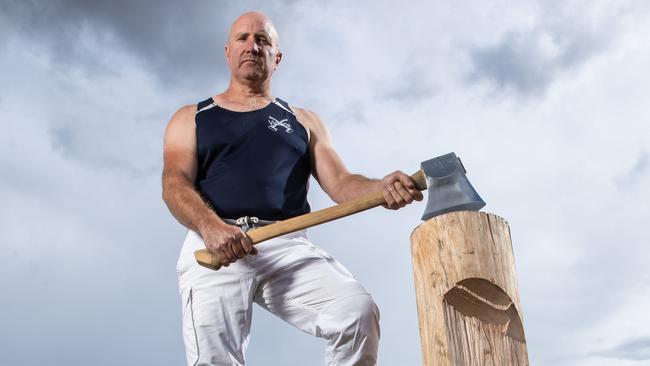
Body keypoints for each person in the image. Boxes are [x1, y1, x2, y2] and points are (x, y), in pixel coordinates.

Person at [162, 11, 423, 366]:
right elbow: (174, 184)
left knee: (356, 312)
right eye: (242, 38)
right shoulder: (192, 117)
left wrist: (381, 187)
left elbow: (342, 183)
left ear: (277, 57)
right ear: (228, 51)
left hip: (285, 243)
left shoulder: (303, 121)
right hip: (215, 246)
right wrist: (210, 227)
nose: (252, 46)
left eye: (263, 40)